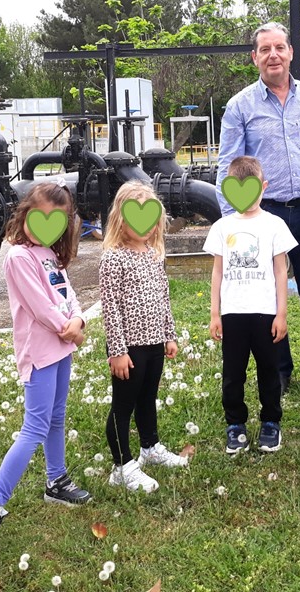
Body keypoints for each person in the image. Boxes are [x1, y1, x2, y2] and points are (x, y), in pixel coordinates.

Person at [0, 180, 91, 547]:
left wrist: (78, 319)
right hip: (40, 353)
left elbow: (67, 294)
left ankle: (57, 481)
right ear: (25, 216)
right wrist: (69, 330)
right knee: (35, 426)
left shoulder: (49, 253)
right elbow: (41, 308)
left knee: (56, 418)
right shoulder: (19, 257)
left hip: (60, 349)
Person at [216, 21, 300, 392]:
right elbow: (227, 166)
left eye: (279, 48)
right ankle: (280, 372)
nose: (273, 55)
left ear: (290, 53)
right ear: (255, 57)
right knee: (268, 296)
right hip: (263, 216)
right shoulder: (239, 106)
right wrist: (233, 224)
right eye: (265, 49)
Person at [205, 156, 298, 454]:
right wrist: (215, 313)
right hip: (232, 314)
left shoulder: (275, 225)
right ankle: (235, 424)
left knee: (269, 370)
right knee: (233, 373)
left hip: (266, 314)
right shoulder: (222, 227)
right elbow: (217, 272)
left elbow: (281, 271)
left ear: (264, 187)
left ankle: (271, 422)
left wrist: (281, 313)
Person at [99, 181, 188, 494]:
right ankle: (122, 466)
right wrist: (117, 351)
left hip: (154, 343)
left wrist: (169, 335)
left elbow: (163, 298)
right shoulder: (113, 259)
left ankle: (150, 447)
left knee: (148, 398)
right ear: (121, 219)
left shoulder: (153, 254)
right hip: (129, 347)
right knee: (123, 406)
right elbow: (110, 308)